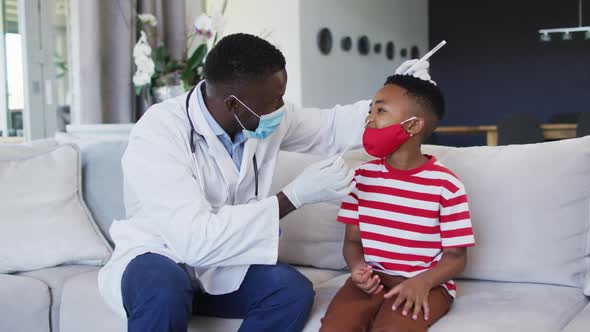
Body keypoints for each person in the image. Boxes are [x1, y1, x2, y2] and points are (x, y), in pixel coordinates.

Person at [97, 33, 432, 332]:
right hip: (158, 255)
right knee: (164, 291)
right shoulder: (158, 133)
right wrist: (295, 196)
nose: (282, 107)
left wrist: (399, 96)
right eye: (274, 100)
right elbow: (193, 242)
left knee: (291, 291)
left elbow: (331, 127)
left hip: (219, 265)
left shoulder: (259, 117)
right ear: (232, 103)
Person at [320, 74, 476, 332]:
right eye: (370, 110)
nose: (370, 118)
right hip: (371, 282)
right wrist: (357, 267)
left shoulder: (447, 185)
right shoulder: (360, 178)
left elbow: (456, 258)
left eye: (381, 110)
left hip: (424, 285)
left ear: (413, 126)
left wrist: (423, 283)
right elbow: (352, 242)